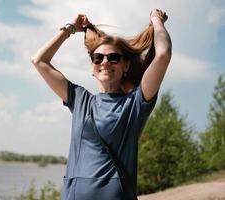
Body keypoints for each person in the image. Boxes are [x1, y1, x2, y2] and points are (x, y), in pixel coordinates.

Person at [31, 9, 172, 200]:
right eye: (98, 57)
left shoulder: (135, 104)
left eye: (113, 57)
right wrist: (70, 29)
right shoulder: (81, 100)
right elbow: (39, 61)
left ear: (126, 66)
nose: (105, 62)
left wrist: (157, 21)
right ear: (92, 67)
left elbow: (162, 54)